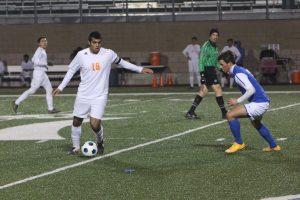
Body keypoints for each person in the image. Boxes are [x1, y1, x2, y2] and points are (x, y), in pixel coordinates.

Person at [52, 31, 153, 155]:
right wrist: (61, 87)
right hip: (83, 94)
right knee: (77, 121)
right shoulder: (81, 55)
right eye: (94, 42)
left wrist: (140, 69)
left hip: (100, 95)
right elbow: (71, 71)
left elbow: (122, 62)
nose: (97, 45)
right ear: (89, 42)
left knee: (94, 124)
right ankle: (75, 147)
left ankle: (100, 141)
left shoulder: (108, 53)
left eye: (99, 43)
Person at [218, 51, 281, 153]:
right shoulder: (241, 69)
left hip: (259, 103)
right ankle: (274, 146)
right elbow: (252, 79)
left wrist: (237, 101)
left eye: (222, 64)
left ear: (229, 63)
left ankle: (239, 143)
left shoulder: (238, 74)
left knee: (230, 115)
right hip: (263, 101)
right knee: (256, 123)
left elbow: (251, 89)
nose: (221, 67)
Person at [186, 28, 227, 119]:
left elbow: (215, 61)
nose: (215, 37)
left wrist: (221, 69)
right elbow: (201, 61)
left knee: (204, 91)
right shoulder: (206, 46)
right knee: (217, 89)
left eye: (217, 35)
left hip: (211, 69)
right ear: (210, 36)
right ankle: (224, 113)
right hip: (207, 70)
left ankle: (190, 112)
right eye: (213, 35)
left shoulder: (215, 46)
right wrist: (202, 75)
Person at [12, 36, 59, 114]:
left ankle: (50, 109)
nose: (45, 42)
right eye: (43, 41)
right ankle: (16, 103)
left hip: (43, 74)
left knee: (49, 90)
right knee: (32, 91)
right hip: (38, 74)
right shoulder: (40, 51)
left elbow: (33, 59)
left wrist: (45, 63)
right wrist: (47, 63)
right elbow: (36, 62)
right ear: (39, 43)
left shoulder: (41, 50)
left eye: (46, 41)